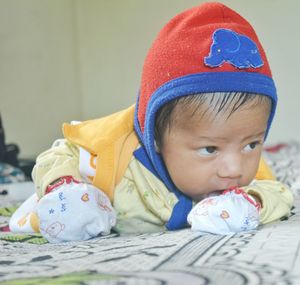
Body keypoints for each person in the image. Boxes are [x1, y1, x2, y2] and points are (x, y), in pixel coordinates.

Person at [10, 2, 294, 243]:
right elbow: (60, 153)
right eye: (210, 149)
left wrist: (250, 203)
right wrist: (64, 187)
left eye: (252, 143)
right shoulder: (116, 154)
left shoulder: (239, 150)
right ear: (155, 137)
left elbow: (276, 192)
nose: (235, 169)